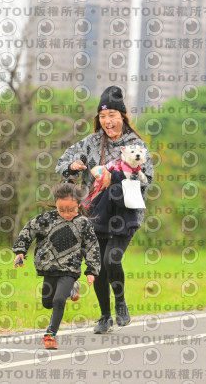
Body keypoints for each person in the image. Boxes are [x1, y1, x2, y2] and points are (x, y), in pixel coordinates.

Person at [55, 85, 154, 334]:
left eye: (112, 115)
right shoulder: (91, 142)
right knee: (97, 263)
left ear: (122, 116)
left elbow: (147, 179)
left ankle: (120, 303)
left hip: (125, 212)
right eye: (102, 116)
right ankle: (104, 316)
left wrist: (115, 177)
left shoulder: (135, 144)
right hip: (96, 212)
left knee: (112, 259)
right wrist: (73, 166)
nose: (107, 121)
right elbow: (61, 164)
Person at [12, 179, 100, 349]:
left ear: (79, 204)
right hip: (49, 268)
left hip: (70, 269)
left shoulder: (84, 223)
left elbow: (92, 246)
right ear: (56, 204)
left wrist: (91, 270)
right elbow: (28, 230)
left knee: (59, 300)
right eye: (62, 210)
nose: (67, 214)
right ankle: (72, 289)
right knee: (47, 303)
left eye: (71, 210)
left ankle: (50, 334)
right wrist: (20, 251)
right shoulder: (46, 219)